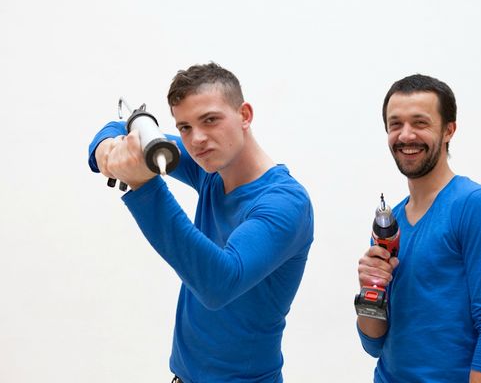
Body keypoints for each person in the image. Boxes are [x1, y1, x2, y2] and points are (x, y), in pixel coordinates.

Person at [88, 63, 314, 382]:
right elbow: (117, 127)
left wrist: (144, 186)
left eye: (210, 120)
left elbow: (219, 283)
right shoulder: (209, 170)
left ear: (244, 115)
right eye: (185, 127)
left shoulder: (286, 204)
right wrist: (108, 151)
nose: (197, 140)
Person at [356, 74, 481, 382]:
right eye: (395, 124)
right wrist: (369, 291)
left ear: (448, 130)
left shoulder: (476, 206)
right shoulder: (391, 223)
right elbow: (373, 342)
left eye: (420, 123)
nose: (405, 136)